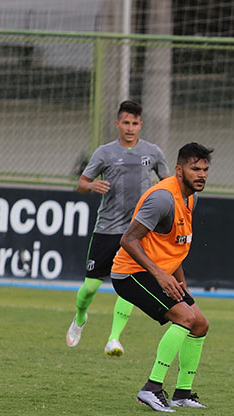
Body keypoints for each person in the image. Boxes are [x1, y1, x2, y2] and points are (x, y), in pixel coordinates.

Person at [110, 142, 212, 412]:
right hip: (130, 273)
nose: (201, 174)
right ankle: (151, 388)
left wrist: (181, 285)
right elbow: (128, 240)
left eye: (205, 169)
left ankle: (182, 393)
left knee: (200, 324)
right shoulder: (162, 198)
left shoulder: (191, 196)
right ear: (179, 170)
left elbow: (175, 245)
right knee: (185, 318)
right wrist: (159, 274)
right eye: (195, 169)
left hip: (159, 273)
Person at [66, 100, 170, 357]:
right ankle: (80, 317)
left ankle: (113, 338)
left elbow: (167, 183)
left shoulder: (153, 152)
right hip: (107, 228)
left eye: (135, 123)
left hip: (137, 231)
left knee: (127, 284)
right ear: (118, 124)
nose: (131, 128)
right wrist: (91, 186)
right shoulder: (105, 153)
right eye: (126, 122)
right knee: (90, 287)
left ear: (141, 125)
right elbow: (81, 183)